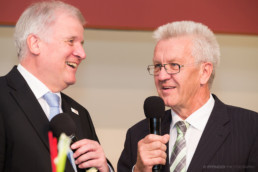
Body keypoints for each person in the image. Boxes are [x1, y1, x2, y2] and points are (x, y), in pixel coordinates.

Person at [118, 21, 258, 172]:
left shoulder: (250, 129)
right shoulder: (139, 134)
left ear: (204, 72)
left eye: (174, 65)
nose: (162, 76)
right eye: (158, 66)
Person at [0, 1, 113, 172]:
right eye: (70, 41)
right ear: (35, 43)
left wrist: (104, 169)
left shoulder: (79, 114)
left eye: (81, 44)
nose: (82, 54)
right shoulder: (3, 97)